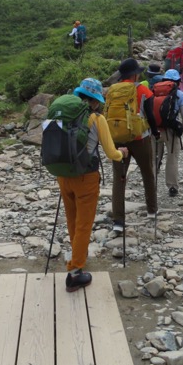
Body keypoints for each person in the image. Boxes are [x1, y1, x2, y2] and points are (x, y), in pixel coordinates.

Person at [57, 78, 129, 292]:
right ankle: (75, 271)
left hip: (63, 174)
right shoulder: (96, 118)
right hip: (86, 177)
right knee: (84, 224)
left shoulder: (63, 113)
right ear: (96, 101)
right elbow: (110, 152)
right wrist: (122, 153)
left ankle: (78, 256)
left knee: (72, 219)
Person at [108, 58, 159, 232]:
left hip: (117, 139)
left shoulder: (112, 91)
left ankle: (118, 221)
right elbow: (150, 116)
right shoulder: (143, 89)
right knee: (147, 173)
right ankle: (152, 210)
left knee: (119, 178)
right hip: (140, 138)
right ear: (135, 74)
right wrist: (156, 132)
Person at [154, 69, 183, 197]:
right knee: (172, 158)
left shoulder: (155, 91)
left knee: (155, 156)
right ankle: (172, 186)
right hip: (171, 131)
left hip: (155, 129)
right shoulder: (180, 94)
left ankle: (151, 183)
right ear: (178, 81)